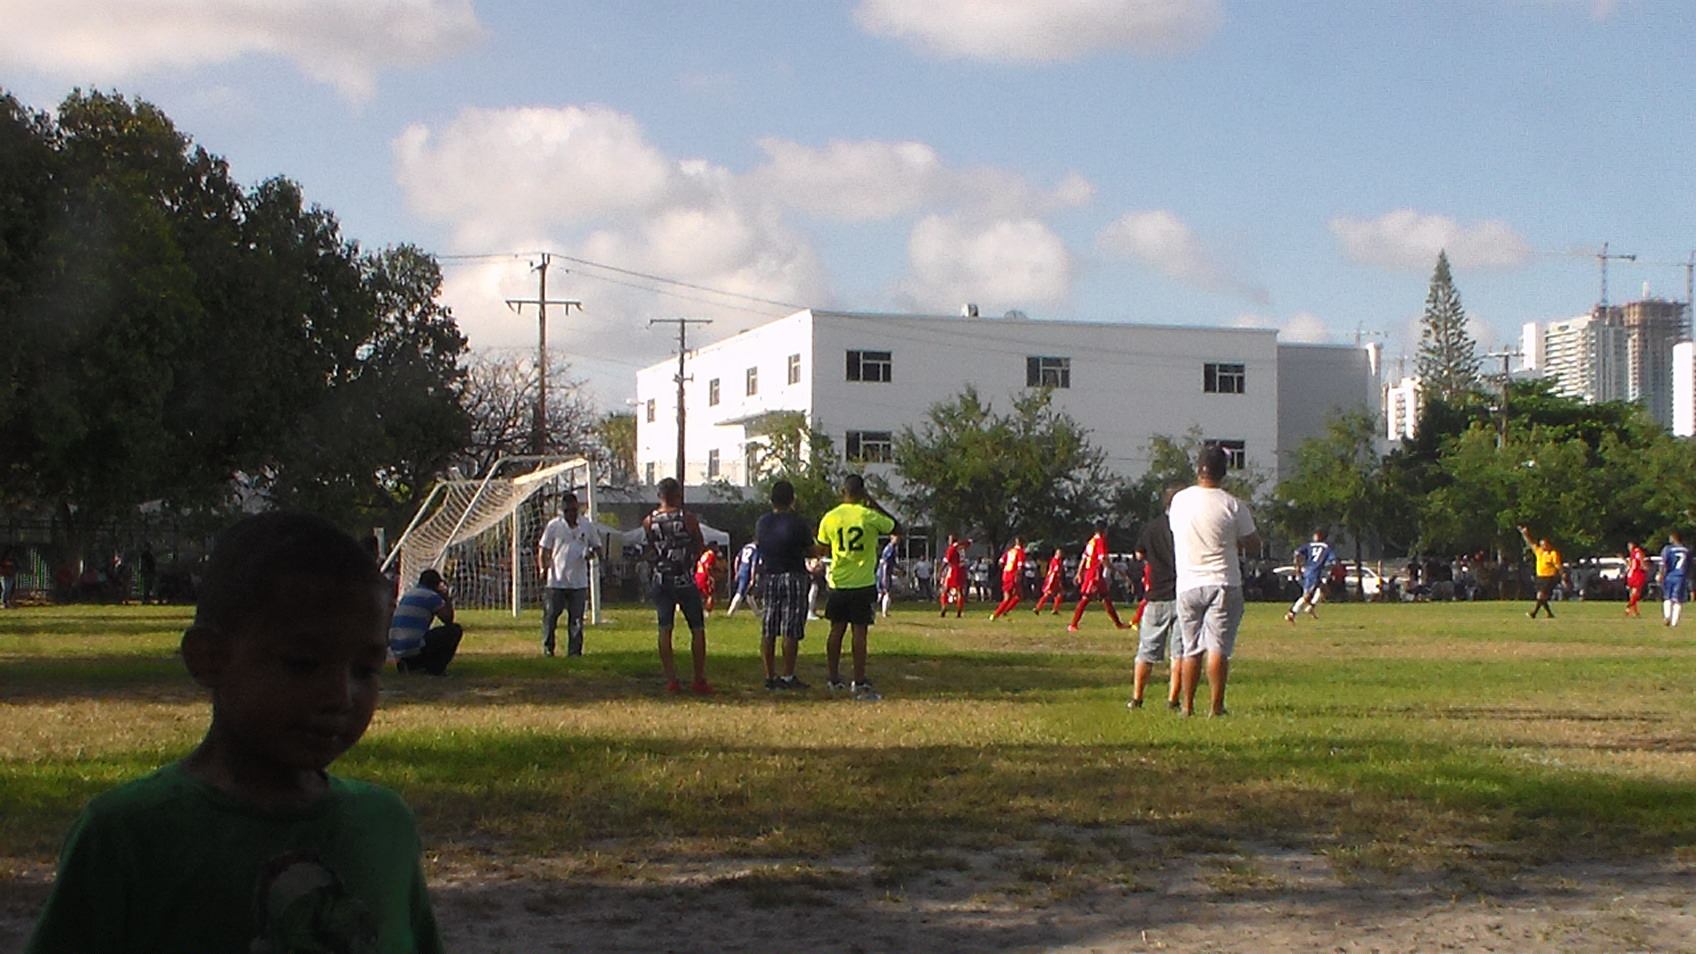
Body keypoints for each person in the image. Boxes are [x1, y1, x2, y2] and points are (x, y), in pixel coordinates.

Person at [24, 511, 442, 953]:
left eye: (365, 670)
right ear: (208, 658)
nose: (340, 695)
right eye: (303, 664)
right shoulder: (127, 837)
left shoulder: (384, 826)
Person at [1169, 445, 1260, 717]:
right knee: (1218, 647)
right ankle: (1216, 706)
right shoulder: (1232, 504)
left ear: (1198, 469)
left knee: (1191, 647)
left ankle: (1187, 706)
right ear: (1224, 473)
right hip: (1223, 580)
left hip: (1187, 582)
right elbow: (1254, 544)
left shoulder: (1180, 501)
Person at [816, 474, 900, 701]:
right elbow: (896, 527)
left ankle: (833, 677)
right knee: (859, 631)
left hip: (839, 581)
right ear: (862, 493)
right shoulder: (869, 515)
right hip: (862, 582)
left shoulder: (830, 518)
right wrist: (873, 503)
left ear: (842, 492)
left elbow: (821, 548)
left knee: (836, 629)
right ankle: (859, 679)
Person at [643, 478, 711, 694]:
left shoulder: (649, 520)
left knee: (665, 628)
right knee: (697, 628)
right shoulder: (687, 518)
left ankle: (671, 679)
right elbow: (700, 544)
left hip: (662, 579)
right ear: (678, 495)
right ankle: (698, 679)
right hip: (685, 579)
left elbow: (650, 549)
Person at [755, 480, 813, 689]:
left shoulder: (762, 522)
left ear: (771, 500)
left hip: (770, 575)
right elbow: (809, 549)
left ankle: (770, 675)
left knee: (769, 627)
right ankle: (788, 675)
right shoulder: (798, 522)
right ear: (792, 499)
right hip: (793, 575)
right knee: (790, 628)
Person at [1131, 486, 1184, 711]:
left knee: (1147, 650)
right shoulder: (1186, 527)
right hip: (1183, 594)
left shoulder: (1151, 527)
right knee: (1180, 652)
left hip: (1156, 595)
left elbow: (1139, 554)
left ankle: (1137, 698)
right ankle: (1172, 699)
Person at [537, 492, 599, 657]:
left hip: (578, 582)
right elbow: (543, 549)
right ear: (562, 510)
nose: (570, 514)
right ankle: (548, 649)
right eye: (567, 511)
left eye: (573, 510)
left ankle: (574, 652)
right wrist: (543, 568)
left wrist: (591, 553)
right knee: (551, 618)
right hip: (556, 581)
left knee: (577, 620)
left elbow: (597, 546)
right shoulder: (554, 526)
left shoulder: (586, 525)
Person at [390, 568, 464, 675]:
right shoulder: (431, 596)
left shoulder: (409, 594)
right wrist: (445, 596)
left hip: (397, 648)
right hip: (414, 647)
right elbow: (448, 619)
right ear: (436, 584)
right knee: (454, 630)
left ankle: (409, 664)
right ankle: (435, 668)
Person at [1068, 520, 1131, 632]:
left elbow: (1084, 558)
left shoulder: (1091, 541)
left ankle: (1118, 624)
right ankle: (1073, 624)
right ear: (1104, 530)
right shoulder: (1100, 541)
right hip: (1094, 573)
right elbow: (1103, 559)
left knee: (1106, 598)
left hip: (1092, 573)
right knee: (1086, 598)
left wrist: (1079, 573)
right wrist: (1116, 570)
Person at [1285, 528, 1335, 624]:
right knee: (1307, 596)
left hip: (1310, 570)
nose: (1313, 537)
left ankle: (1311, 607)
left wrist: (1298, 567)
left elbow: (1297, 553)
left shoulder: (1309, 545)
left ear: (1319, 536)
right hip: (1315, 572)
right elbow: (1332, 561)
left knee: (1324, 589)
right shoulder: (1327, 548)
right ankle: (1291, 613)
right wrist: (1328, 567)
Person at [1518, 525, 1563, 619]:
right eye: (1542, 545)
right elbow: (1530, 543)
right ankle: (1549, 614)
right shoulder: (1540, 552)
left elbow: (1558, 565)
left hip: (1549, 577)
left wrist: (1562, 574)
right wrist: (1525, 534)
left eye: (1545, 544)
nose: (1543, 546)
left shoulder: (1553, 553)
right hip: (1540, 577)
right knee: (1543, 597)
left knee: (1541, 595)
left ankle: (1533, 613)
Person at [989, 537, 1027, 620]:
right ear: (1023, 544)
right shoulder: (1020, 552)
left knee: (1014, 595)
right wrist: (1018, 575)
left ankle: (1001, 612)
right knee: (1014, 596)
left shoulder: (1009, 551)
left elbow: (1001, 562)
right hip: (1013, 575)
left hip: (1005, 574)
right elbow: (1020, 566)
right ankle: (998, 613)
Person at [1660, 531, 1690, 627]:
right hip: (1681, 576)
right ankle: (1674, 622)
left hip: (1670, 576)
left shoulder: (1668, 549)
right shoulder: (1687, 550)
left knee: (1667, 597)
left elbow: (1664, 563)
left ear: (1674, 538)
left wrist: (1661, 574)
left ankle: (1667, 616)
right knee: (1678, 600)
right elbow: (1689, 566)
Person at [724, 539, 761, 617]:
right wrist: (752, 577)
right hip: (747, 572)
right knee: (740, 593)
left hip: (741, 570)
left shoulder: (745, 547)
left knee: (749, 594)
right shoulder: (755, 550)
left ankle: (757, 613)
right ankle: (730, 613)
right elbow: (753, 565)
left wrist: (736, 571)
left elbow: (737, 559)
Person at [938, 534, 968, 618]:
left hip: (953, 569)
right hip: (962, 570)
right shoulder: (961, 546)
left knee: (945, 589)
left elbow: (946, 561)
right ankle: (959, 610)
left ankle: (944, 607)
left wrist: (940, 571)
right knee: (960, 591)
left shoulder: (951, 549)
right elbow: (968, 542)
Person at [875, 531, 901, 618]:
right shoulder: (890, 548)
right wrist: (885, 575)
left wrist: (899, 568)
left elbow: (892, 562)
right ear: (891, 537)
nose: (898, 540)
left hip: (883, 572)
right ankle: (884, 612)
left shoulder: (892, 548)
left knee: (881, 592)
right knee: (886, 592)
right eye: (896, 538)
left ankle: (874, 609)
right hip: (884, 572)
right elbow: (886, 563)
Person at [1032, 547, 1065, 614]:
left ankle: (1054, 609)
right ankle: (1038, 608)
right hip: (1052, 580)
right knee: (1048, 594)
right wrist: (1054, 581)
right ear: (1056, 553)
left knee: (1058, 594)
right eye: (1059, 553)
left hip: (1055, 580)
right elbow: (1055, 571)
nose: (1060, 554)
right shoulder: (1055, 561)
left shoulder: (1058, 561)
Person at [1624, 541, 1650, 618]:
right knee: (1636, 593)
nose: (1628, 548)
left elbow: (1636, 562)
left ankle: (1635, 612)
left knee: (1632, 594)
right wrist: (1644, 567)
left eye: (1629, 546)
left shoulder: (1635, 552)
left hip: (1631, 574)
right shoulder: (1637, 552)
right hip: (1636, 574)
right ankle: (1628, 607)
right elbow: (1641, 561)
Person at [694, 544, 720, 614]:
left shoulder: (704, 554)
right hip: (705, 575)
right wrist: (710, 576)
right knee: (710, 594)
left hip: (698, 574)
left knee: (699, 595)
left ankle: (697, 610)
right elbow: (708, 566)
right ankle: (707, 612)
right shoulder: (711, 554)